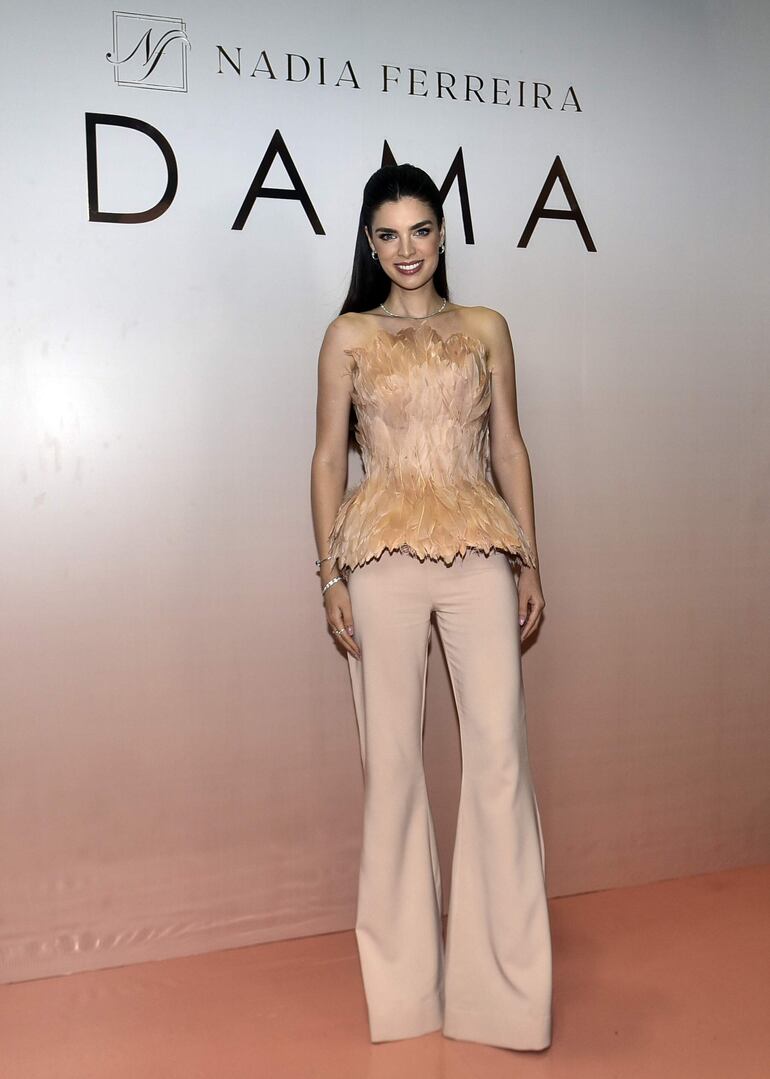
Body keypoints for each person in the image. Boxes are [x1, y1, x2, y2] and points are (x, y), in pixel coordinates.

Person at [310, 163, 552, 1051]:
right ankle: (405, 996)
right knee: (394, 769)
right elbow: (327, 458)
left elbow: (510, 447)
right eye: (388, 234)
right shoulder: (347, 334)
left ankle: (506, 998)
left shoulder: (486, 327)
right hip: (378, 557)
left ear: (443, 233)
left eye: (420, 230)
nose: (406, 249)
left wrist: (530, 559)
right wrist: (329, 575)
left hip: (478, 549)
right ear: (370, 243)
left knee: (500, 761)